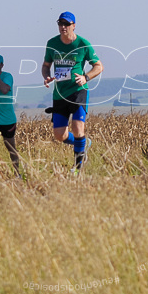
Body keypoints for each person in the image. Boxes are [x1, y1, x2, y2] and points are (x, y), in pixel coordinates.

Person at [42, 12, 103, 173]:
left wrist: (85, 77)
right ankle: (83, 143)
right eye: (60, 24)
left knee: (77, 128)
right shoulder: (52, 43)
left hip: (78, 91)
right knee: (59, 135)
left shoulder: (83, 44)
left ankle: (77, 168)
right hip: (60, 94)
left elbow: (98, 66)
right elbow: (46, 65)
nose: (63, 27)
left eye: (66, 24)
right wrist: (46, 76)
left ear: (73, 26)